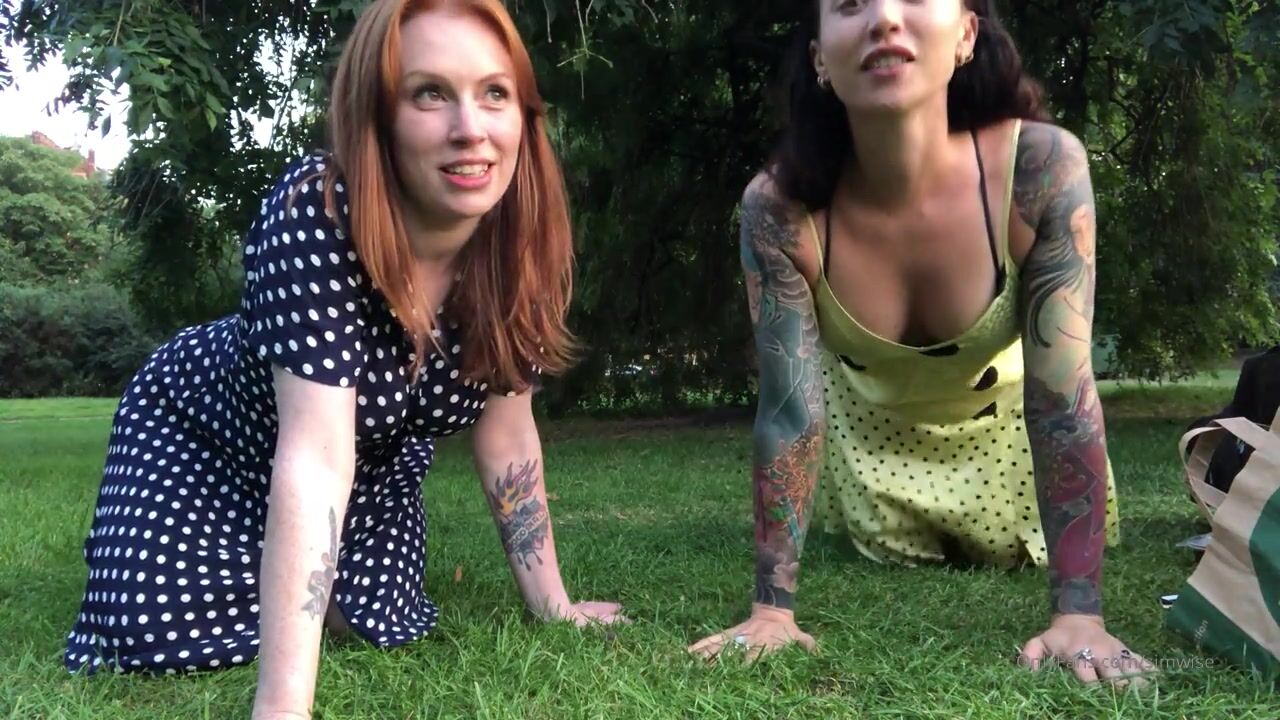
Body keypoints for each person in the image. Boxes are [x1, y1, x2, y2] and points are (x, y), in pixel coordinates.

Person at [63, 0, 625, 716]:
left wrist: (555, 606)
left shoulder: (516, 238)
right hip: (204, 441)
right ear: (377, 116)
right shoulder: (317, 211)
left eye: (494, 93)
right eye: (430, 93)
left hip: (373, 474)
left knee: (383, 623)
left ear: (524, 115)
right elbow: (315, 455)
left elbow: (508, 437)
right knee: (154, 633)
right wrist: (283, 706)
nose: (470, 128)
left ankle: (300, 584)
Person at [690, 0, 1155, 685]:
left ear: (966, 33)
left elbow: (1063, 394)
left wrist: (1079, 614)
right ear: (820, 60)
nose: (883, 18)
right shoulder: (777, 211)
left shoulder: (1041, 169)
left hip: (1017, 480)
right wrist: (771, 611)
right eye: (849, 4)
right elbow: (790, 411)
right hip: (879, 492)